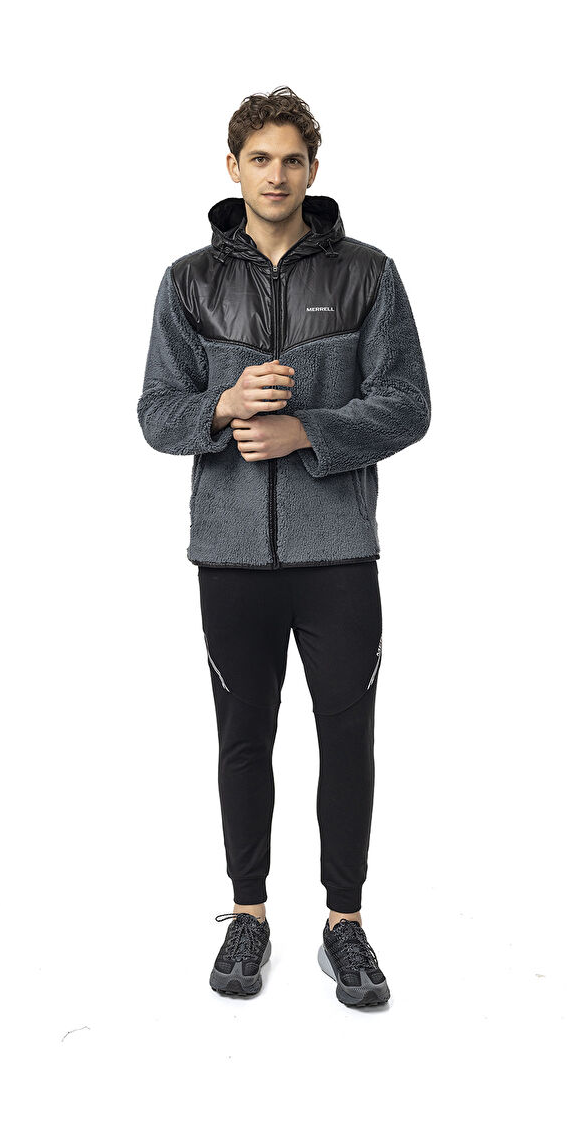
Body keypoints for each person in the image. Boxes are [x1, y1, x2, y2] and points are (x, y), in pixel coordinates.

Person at [137, 86, 431, 1007]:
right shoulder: (189, 281)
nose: (275, 175)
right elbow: (155, 412)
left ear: (313, 169)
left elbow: (409, 404)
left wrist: (310, 432)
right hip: (229, 555)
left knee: (347, 738)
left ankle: (345, 925)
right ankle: (248, 915)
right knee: (242, 738)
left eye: (291, 160)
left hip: (337, 552)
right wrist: (221, 408)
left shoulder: (368, 273)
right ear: (233, 167)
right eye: (259, 159)